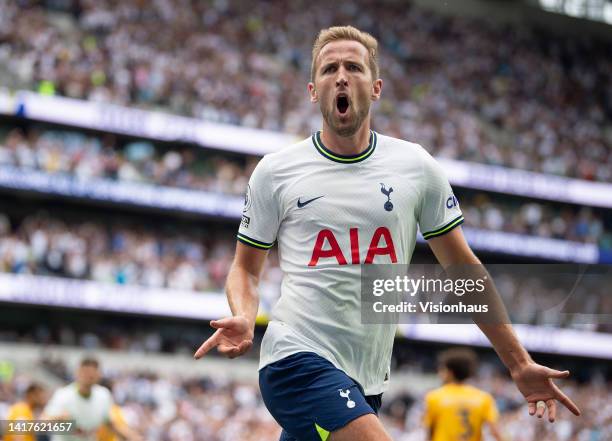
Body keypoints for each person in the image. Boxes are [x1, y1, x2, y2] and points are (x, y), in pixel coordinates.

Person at [194, 25, 580, 441]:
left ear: (376, 87)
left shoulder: (416, 167)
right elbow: (245, 270)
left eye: (354, 67)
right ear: (313, 90)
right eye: (329, 69)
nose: (341, 76)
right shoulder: (275, 171)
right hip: (295, 359)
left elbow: (464, 270)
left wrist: (519, 363)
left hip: (366, 380)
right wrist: (245, 315)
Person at [43, 357, 140, 441]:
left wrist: (132, 437)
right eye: (85, 372)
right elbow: (42, 424)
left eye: (92, 373)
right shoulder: (63, 395)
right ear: (77, 373)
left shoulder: (103, 395)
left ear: (99, 375)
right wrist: (58, 418)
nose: (89, 376)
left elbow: (111, 424)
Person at [424, 348, 503, 441]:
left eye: (442, 369)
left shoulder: (434, 396)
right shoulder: (484, 398)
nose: (439, 373)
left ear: (450, 372)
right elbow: (495, 432)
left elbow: (429, 431)